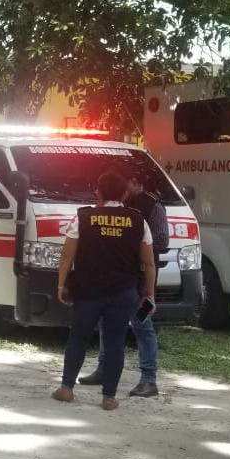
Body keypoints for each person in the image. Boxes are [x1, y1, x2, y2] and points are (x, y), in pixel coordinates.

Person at [54, 171, 156, 411]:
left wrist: (61, 284)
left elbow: (67, 257)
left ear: (97, 192)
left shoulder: (83, 217)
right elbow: (149, 263)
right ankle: (109, 397)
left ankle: (67, 388)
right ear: (124, 193)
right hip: (124, 293)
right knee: (114, 342)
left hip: (88, 290)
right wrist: (149, 294)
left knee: (78, 337)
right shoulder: (138, 220)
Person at [78, 170, 169, 398]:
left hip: (143, 280)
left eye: (124, 184)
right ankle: (103, 369)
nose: (121, 191)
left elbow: (162, 239)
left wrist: (135, 238)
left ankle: (149, 380)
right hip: (120, 278)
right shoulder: (115, 208)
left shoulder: (152, 205)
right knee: (105, 323)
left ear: (135, 182)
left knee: (143, 326)